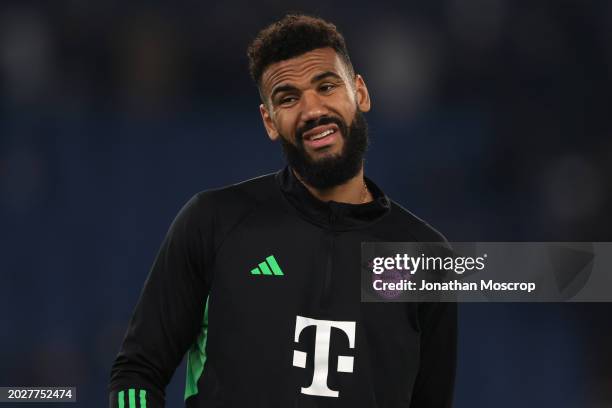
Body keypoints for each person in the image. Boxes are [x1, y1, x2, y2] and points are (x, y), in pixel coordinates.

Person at [109, 13, 456, 408]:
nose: (312, 110)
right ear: (269, 121)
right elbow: (137, 373)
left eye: (326, 86)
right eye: (288, 98)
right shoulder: (214, 222)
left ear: (359, 92)